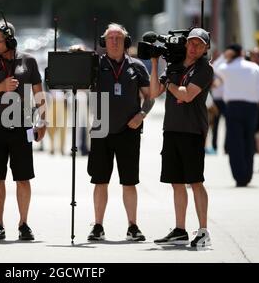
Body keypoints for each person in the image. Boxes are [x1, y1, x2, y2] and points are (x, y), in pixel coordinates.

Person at [0, 19, 46, 241]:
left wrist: (43, 120)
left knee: (23, 178)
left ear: (10, 39)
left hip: (22, 124)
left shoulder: (30, 61)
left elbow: (38, 93)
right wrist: (0, 87)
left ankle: (24, 224)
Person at [87, 23, 154, 241]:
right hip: (101, 128)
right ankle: (98, 226)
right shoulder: (95, 66)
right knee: (100, 181)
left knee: (129, 181)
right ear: (103, 42)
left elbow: (149, 96)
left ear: (125, 41)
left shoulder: (136, 66)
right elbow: (76, 80)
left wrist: (142, 115)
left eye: (118, 38)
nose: (114, 41)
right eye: (110, 38)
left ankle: (132, 226)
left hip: (129, 130)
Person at [150, 28, 213, 248]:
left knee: (195, 181)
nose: (195, 47)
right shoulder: (174, 66)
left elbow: (186, 95)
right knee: (176, 182)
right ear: (186, 44)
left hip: (193, 130)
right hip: (172, 129)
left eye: (200, 44)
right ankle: (180, 229)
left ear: (206, 48)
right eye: (192, 43)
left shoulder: (205, 69)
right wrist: (156, 62)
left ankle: (203, 229)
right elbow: (153, 92)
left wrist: (169, 83)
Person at [215, 44, 259, 187]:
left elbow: (213, 68)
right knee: (248, 141)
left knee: (235, 143)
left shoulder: (226, 68)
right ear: (241, 53)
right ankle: (247, 175)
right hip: (251, 109)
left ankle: (239, 176)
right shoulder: (253, 67)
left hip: (233, 108)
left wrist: (223, 56)